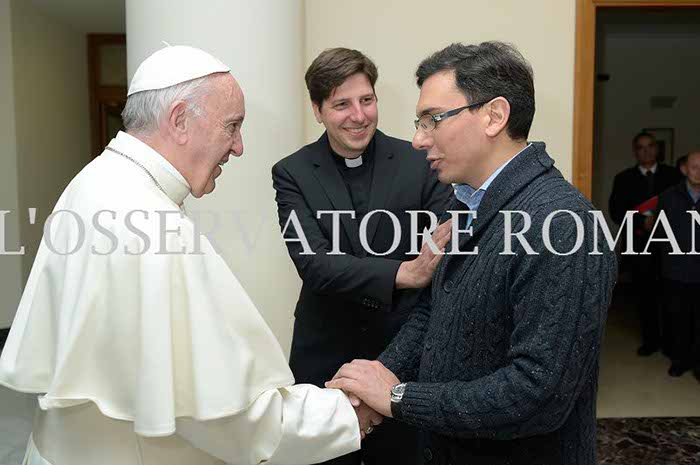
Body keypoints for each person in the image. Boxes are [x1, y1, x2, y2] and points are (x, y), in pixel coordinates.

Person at [0, 45, 380, 465]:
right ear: (180, 120)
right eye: (232, 126)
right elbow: (226, 419)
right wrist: (345, 413)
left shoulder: (96, 181)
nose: (238, 147)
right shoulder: (151, 223)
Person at [327, 41, 618, 465]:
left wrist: (397, 398)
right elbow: (434, 311)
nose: (418, 139)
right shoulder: (466, 204)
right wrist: (380, 376)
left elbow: (537, 394)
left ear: (494, 116)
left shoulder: (563, 223)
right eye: (419, 122)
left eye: (433, 119)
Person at [272, 47, 452, 465]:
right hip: (324, 354)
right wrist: (404, 273)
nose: (359, 115)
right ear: (317, 110)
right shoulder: (292, 172)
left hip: (403, 352)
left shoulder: (422, 161)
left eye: (366, 100)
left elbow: (441, 250)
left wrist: (415, 269)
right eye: (342, 105)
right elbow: (315, 264)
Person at [609, 132, 681, 356]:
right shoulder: (623, 178)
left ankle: (671, 342)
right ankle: (650, 340)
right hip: (639, 246)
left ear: (657, 149)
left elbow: (683, 207)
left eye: (650, 146)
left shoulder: (674, 175)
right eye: (641, 147)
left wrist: (661, 220)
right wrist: (642, 221)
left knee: (671, 296)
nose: (646, 150)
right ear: (635, 152)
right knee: (645, 296)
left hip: (670, 245)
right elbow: (616, 211)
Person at [655, 151, 700, 378]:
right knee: (678, 318)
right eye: (694, 167)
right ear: (684, 169)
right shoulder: (668, 196)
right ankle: (679, 360)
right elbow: (659, 232)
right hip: (676, 269)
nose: (699, 172)